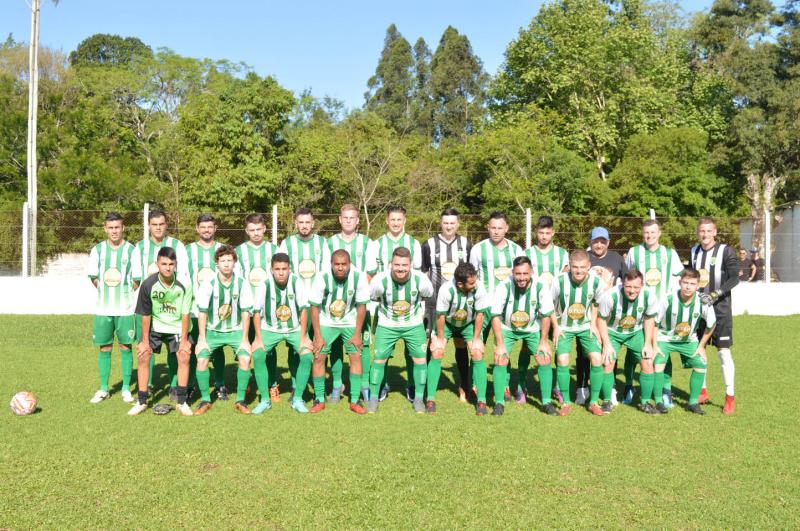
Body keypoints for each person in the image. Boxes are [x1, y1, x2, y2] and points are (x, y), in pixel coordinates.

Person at [367, 247, 434, 413]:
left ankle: (418, 399)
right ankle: (373, 398)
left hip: (413, 324)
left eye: (404, 265)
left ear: (410, 264)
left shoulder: (421, 280)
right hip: (387, 325)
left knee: (420, 359)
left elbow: (428, 295)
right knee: (379, 359)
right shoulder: (379, 281)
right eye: (397, 264)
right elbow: (373, 297)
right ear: (391, 264)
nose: (400, 268)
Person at [625, 219, 684, 407]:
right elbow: (627, 277)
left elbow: (679, 277)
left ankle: (665, 390)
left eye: (653, 232)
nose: (649, 236)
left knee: (661, 351)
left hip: (663, 311)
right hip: (639, 310)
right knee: (633, 350)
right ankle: (628, 386)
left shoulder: (669, 254)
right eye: (646, 233)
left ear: (659, 233)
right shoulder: (635, 252)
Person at [129, 247, 193, 416]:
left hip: (178, 327)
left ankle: (182, 401)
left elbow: (186, 314)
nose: (167, 267)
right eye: (164, 263)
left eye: (171, 264)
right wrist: (144, 341)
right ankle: (141, 401)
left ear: (176, 265)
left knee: (184, 355)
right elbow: (145, 314)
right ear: (157, 264)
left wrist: (185, 340)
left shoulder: (185, 283)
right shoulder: (148, 284)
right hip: (156, 327)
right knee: (143, 355)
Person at [489, 256, 555, 416]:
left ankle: (546, 402)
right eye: (518, 274)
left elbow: (546, 315)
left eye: (525, 273)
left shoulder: (540, 286)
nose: (522, 277)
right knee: (500, 358)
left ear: (531, 272)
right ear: (513, 272)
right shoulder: (504, 285)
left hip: (532, 328)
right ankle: (499, 403)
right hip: (507, 328)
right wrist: (500, 344)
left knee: (544, 357)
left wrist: (544, 342)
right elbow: (495, 315)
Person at [469, 212, 523, 402]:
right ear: (487, 227)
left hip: (506, 309)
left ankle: (505, 386)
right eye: (493, 227)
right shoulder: (478, 249)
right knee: (477, 345)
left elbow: (521, 278)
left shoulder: (517, 250)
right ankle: (475, 384)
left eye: (500, 228)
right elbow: (472, 277)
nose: (496, 231)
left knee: (503, 347)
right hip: (483, 307)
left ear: (507, 228)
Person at [251, 253, 315, 414]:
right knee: (258, 354)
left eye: (284, 269)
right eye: (277, 269)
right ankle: (265, 400)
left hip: (293, 329)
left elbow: (303, 310)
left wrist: (303, 337)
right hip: (269, 329)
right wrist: (258, 338)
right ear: (271, 270)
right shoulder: (264, 285)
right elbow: (257, 312)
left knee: (307, 355)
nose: (281, 272)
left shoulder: (297, 282)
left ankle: (297, 399)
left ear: (290, 269)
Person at [134, 209, 190, 392]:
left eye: (161, 224)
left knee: (175, 350)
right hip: (150, 307)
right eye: (154, 224)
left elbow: (183, 275)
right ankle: (147, 386)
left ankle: (174, 386)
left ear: (167, 225)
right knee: (145, 348)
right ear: (148, 226)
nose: (158, 228)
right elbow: (136, 279)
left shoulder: (178, 245)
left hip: (173, 307)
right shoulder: (140, 247)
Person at [326, 204, 377, 403]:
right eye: (345, 217)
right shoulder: (329, 243)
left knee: (361, 345)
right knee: (336, 345)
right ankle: (337, 385)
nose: (348, 221)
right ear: (340, 219)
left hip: (359, 306)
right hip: (335, 306)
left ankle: (363, 384)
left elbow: (371, 273)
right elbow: (326, 272)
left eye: (352, 218)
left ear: (358, 221)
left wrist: (357, 292)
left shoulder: (367, 243)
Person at [194, 245, 254, 415]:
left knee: (244, 357)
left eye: (229, 260)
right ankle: (205, 400)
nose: (226, 264)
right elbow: (202, 312)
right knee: (202, 360)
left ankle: (240, 400)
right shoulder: (209, 283)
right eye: (223, 261)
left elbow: (245, 312)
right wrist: (202, 339)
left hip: (235, 331)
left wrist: (244, 339)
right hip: (212, 331)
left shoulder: (242, 283)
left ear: (235, 262)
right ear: (217, 263)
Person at [308, 250, 370, 414]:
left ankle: (355, 400)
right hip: (326, 321)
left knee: (356, 356)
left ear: (349, 264)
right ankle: (319, 399)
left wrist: (357, 333)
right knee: (319, 356)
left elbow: (362, 306)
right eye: (337, 264)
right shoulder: (322, 277)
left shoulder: (359, 276)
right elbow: (314, 307)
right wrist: (319, 336)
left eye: (344, 264)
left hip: (350, 321)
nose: (340, 268)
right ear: (331, 264)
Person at [87, 212, 140, 404]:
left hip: (125, 310)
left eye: (117, 227)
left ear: (123, 228)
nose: (114, 231)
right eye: (110, 228)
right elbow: (93, 277)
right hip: (103, 309)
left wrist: (123, 294)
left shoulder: (131, 250)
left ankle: (126, 388)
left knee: (126, 346)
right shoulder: (98, 250)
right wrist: (107, 292)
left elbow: (136, 280)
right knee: (105, 347)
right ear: (105, 229)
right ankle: (103, 389)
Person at [421, 208, 473, 403]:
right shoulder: (429, 245)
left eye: (452, 223)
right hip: (435, 305)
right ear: (440, 223)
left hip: (460, 305)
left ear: (458, 224)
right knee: (433, 344)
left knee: (461, 344)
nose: (449, 226)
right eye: (445, 223)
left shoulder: (465, 244)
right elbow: (425, 274)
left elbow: (470, 272)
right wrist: (424, 303)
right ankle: (427, 387)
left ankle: (464, 385)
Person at [373, 205, 423, 401]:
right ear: (387, 220)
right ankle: (383, 384)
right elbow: (372, 274)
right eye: (392, 219)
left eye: (399, 219)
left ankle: (411, 384)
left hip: (411, 306)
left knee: (413, 350)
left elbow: (418, 274)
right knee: (383, 350)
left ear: (405, 220)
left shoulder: (414, 243)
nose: (395, 223)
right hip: (385, 306)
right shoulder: (376, 244)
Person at [691, 217, 739, 414]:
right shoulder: (694, 251)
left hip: (721, 311)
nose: (705, 234)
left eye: (709, 231)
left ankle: (730, 397)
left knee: (723, 352)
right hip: (699, 310)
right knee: (699, 349)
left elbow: (735, 277)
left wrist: (716, 294)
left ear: (715, 232)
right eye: (702, 231)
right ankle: (702, 391)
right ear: (698, 233)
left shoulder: (725, 251)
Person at [652, 268, 716, 415]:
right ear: (680, 282)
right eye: (685, 282)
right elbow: (654, 322)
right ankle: (659, 401)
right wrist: (654, 344)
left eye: (692, 283)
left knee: (701, 364)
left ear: (698, 285)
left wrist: (701, 346)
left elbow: (712, 324)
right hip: (665, 338)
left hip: (689, 341)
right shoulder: (668, 298)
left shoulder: (703, 301)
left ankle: (693, 403)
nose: (688, 286)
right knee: (658, 363)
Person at [428, 262, 489, 414]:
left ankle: (481, 401)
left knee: (476, 352)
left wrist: (475, 339)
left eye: (475, 280)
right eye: (471, 282)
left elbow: (480, 314)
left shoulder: (479, 287)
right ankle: (430, 399)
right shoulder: (446, 290)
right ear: (460, 284)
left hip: (468, 323)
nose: (475, 284)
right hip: (447, 323)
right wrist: (441, 338)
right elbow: (440, 316)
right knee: (437, 351)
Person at [596, 270, 658, 415]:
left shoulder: (649, 296)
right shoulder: (610, 296)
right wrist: (607, 344)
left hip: (635, 333)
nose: (632, 291)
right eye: (628, 286)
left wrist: (648, 343)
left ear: (642, 285)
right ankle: (606, 400)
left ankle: (645, 402)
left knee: (648, 362)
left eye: (636, 287)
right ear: (622, 284)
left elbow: (649, 318)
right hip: (613, 332)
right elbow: (601, 319)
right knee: (608, 362)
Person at [578, 226, 627, 406]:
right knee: (584, 351)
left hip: (609, 313)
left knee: (609, 351)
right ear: (590, 241)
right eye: (595, 241)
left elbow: (628, 280)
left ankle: (610, 388)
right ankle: (582, 387)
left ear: (608, 242)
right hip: (586, 312)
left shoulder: (616, 258)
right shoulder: (585, 257)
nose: (599, 244)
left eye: (602, 241)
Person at [550, 250, 603, 416]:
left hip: (586, 326)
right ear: (569, 267)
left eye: (582, 267)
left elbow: (596, 302)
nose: (579, 271)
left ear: (589, 266)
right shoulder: (559, 281)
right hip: (564, 327)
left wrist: (593, 324)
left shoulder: (596, 281)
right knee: (562, 359)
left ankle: (593, 402)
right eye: (575, 267)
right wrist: (556, 327)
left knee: (596, 358)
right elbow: (549, 306)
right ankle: (566, 402)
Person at [524, 215, 570, 404]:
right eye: (541, 232)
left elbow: (565, 279)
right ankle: (521, 385)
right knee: (528, 346)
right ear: (536, 232)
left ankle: (557, 388)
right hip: (534, 309)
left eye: (547, 233)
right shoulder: (528, 252)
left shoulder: (562, 253)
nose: (544, 236)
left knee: (558, 345)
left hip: (556, 309)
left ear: (553, 233)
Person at [235, 214, 280, 401]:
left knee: (268, 348)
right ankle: (246, 386)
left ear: (264, 229)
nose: (255, 233)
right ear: (246, 231)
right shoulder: (238, 251)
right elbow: (236, 281)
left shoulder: (274, 250)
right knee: (245, 347)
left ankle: (273, 385)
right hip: (246, 309)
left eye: (258, 229)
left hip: (268, 310)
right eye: (251, 230)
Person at [185, 214, 223, 401]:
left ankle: (220, 384)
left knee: (217, 349)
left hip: (218, 311)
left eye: (210, 227)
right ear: (197, 228)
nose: (207, 230)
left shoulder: (222, 250)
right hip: (194, 308)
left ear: (215, 228)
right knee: (193, 348)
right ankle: (191, 385)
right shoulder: (188, 250)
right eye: (203, 227)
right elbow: (183, 277)